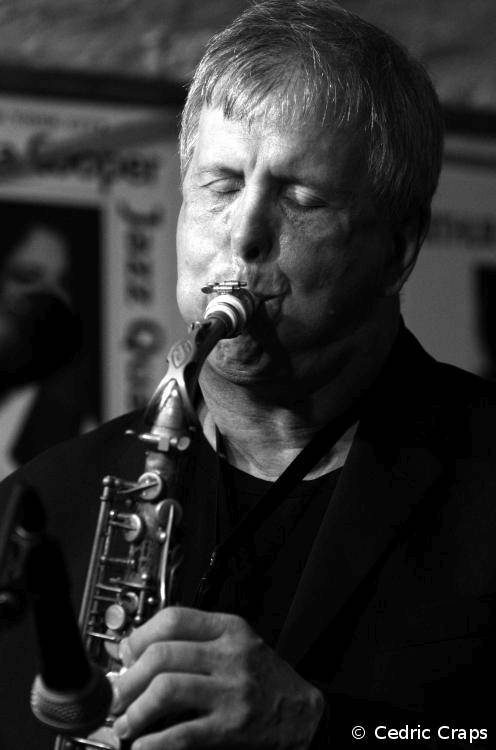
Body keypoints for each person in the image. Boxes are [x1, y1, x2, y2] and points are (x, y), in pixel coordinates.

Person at [1, 1, 495, 748]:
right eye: (222, 185)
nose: (244, 233)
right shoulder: (42, 503)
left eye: (301, 198)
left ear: (398, 251)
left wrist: (322, 728)